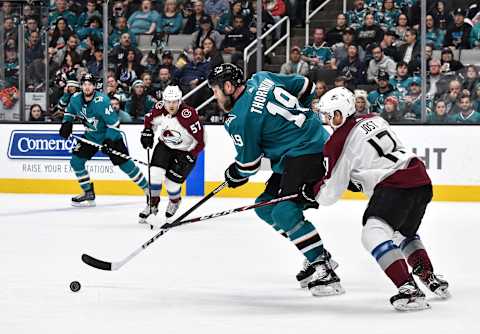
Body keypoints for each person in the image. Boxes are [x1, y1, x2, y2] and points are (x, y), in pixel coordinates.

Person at [298, 87, 450, 311]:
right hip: (420, 179)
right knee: (401, 233)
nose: (328, 119)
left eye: (331, 114)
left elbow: (330, 193)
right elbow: (374, 157)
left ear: (342, 112)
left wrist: (311, 192)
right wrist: (357, 179)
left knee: (372, 234)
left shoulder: (336, 142)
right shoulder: (374, 119)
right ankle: (428, 275)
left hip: (396, 184)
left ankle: (408, 289)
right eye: (326, 115)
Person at [207, 63, 343, 296]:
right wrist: (302, 117)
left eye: (216, 90)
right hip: (306, 147)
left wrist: (233, 175)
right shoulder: (262, 78)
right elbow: (306, 85)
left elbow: (248, 165)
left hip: (309, 152)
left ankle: (324, 268)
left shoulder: (239, 118)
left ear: (228, 86)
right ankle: (316, 254)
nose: (214, 95)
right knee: (265, 206)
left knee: (283, 212)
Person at [58, 73, 149, 206]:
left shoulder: (102, 101)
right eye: (84, 84)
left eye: (90, 84)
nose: (87, 87)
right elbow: (69, 112)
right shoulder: (75, 98)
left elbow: (115, 124)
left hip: (110, 136)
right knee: (76, 162)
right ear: (81, 86)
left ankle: (148, 190)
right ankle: (88, 192)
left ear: (94, 86)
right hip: (91, 137)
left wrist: (109, 140)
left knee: (126, 165)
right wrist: (67, 123)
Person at [139, 85, 205, 224]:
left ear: (180, 100)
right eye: (168, 101)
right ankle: (152, 204)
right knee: (155, 174)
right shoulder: (159, 108)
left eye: (175, 101)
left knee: (171, 185)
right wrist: (147, 131)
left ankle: (175, 201)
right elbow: (149, 120)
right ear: (164, 100)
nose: (171, 105)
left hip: (184, 151)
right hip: (165, 146)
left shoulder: (189, 114)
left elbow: (201, 140)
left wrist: (191, 154)